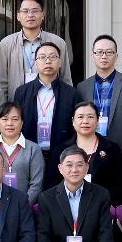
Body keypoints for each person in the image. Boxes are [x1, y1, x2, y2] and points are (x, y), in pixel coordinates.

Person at [13, 41, 77, 188]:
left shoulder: (72, 93)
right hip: (29, 153)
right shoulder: (22, 92)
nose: (48, 61)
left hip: (61, 155)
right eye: (42, 57)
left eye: (53, 57)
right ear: (35, 63)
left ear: (60, 62)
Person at [76, 35, 122, 148]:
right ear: (92, 56)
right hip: (90, 150)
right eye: (99, 52)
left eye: (109, 52)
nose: (104, 56)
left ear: (116, 56)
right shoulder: (82, 87)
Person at [0, 0, 72, 98]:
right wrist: (7, 107)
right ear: (18, 16)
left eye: (35, 11)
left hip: (50, 102)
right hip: (17, 103)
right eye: (25, 11)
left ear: (43, 15)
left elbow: (66, 79)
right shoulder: (6, 44)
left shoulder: (58, 42)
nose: (30, 15)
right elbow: (2, 83)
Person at [67, 101, 122, 204]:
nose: (85, 121)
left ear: (98, 121)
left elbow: (120, 184)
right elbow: (52, 184)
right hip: (69, 206)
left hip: (104, 206)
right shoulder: (61, 150)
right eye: (80, 117)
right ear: (73, 121)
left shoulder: (112, 149)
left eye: (90, 117)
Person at [0, 102, 45, 204]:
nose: (9, 123)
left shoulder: (33, 149)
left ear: (22, 122)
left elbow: (36, 184)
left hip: (23, 206)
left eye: (15, 119)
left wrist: (22, 205)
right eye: (5, 119)